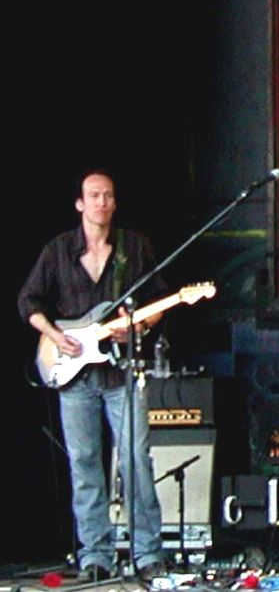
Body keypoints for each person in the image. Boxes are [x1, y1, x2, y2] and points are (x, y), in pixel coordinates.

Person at [18, 171, 166, 582]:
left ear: (115, 204)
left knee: (136, 460)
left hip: (121, 370)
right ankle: (95, 555)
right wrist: (54, 335)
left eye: (108, 196)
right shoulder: (58, 251)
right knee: (85, 464)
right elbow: (27, 300)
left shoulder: (134, 248)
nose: (102, 202)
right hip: (74, 376)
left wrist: (137, 326)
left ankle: (147, 553)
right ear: (80, 204)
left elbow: (158, 300)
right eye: (94, 195)